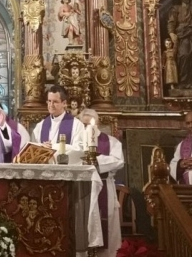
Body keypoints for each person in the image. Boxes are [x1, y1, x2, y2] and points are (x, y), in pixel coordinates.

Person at [79, 108, 124, 257]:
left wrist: (96, 161)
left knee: (107, 225)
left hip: (104, 187)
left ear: (97, 124)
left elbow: (119, 161)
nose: (86, 128)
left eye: (89, 124)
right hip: (82, 190)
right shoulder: (77, 142)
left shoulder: (110, 142)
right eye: (83, 125)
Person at [31, 85, 85, 165]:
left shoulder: (76, 125)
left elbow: (80, 150)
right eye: (49, 101)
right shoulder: (40, 126)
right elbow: (32, 150)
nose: (51, 105)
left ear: (64, 103)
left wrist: (54, 147)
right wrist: (41, 147)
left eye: (55, 102)